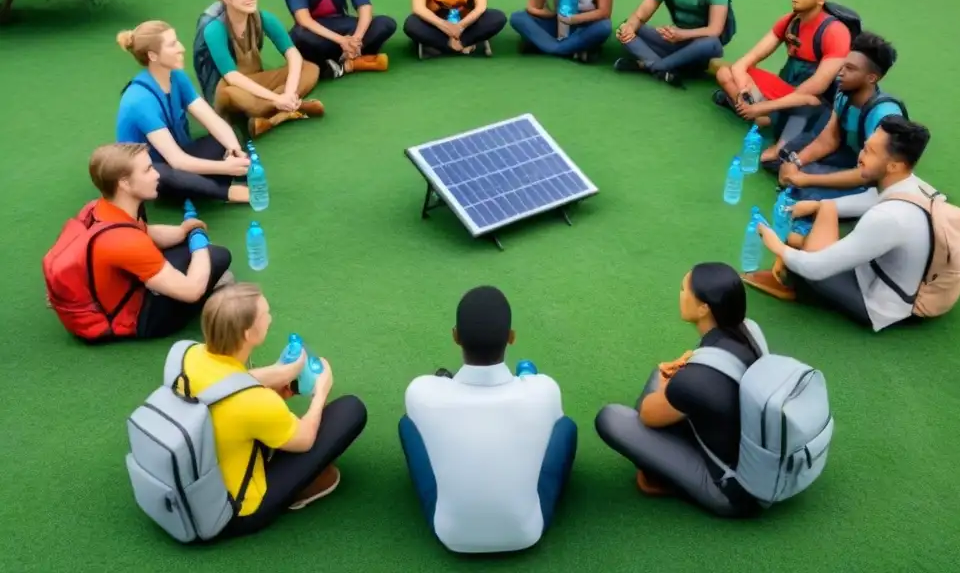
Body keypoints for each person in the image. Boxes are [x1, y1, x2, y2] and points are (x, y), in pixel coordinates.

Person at [180, 283, 368, 538]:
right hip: (233, 513)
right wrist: (322, 391)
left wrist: (280, 373)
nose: (270, 317)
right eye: (265, 314)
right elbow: (305, 439)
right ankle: (295, 491)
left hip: (193, 482)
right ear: (248, 334)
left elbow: (228, 383)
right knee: (351, 410)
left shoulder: (188, 354)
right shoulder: (255, 402)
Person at [399, 286, 577, 554]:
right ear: (511, 337)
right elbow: (557, 423)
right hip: (526, 532)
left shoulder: (421, 392)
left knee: (407, 424)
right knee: (566, 427)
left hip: (450, 534)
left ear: (455, 336)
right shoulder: (544, 390)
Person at [594, 263, 766, 518]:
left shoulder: (695, 381)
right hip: (755, 462)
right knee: (662, 376)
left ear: (704, 308)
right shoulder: (749, 331)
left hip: (732, 491)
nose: (680, 294)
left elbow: (647, 414)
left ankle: (661, 475)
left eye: (684, 289)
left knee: (610, 418)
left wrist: (671, 379)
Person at [745, 117, 935, 332]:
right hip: (897, 275)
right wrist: (817, 205)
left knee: (803, 267)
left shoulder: (887, 218)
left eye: (870, 152)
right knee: (827, 208)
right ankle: (800, 245)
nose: (861, 156)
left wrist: (776, 245)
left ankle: (793, 285)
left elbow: (815, 268)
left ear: (894, 165)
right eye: (865, 148)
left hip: (880, 305)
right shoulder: (913, 185)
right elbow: (871, 198)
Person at [50, 143, 233, 341]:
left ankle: (162, 278)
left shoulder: (98, 208)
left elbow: (145, 231)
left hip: (111, 293)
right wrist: (199, 244)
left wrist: (182, 231)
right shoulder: (126, 242)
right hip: (136, 320)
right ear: (125, 184)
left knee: (188, 252)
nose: (157, 175)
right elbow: (192, 291)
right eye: (148, 170)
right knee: (218, 257)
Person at [715, 0, 853, 155]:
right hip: (781, 91)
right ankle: (762, 115)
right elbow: (745, 61)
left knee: (775, 154)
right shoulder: (789, 21)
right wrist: (743, 87)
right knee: (725, 73)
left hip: (806, 103)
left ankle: (763, 117)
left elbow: (814, 89)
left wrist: (762, 106)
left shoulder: (835, 33)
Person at [114, 21, 251, 204]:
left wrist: (234, 150)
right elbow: (177, 161)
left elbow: (212, 120)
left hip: (177, 156)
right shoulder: (139, 101)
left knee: (225, 139)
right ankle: (225, 192)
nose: (181, 48)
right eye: (172, 45)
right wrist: (225, 167)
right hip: (151, 173)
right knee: (163, 175)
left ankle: (201, 185)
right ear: (153, 56)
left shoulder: (177, 76)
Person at [193, 0, 324, 140]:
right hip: (229, 88)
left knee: (311, 69)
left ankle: (277, 115)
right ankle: (291, 109)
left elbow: (292, 53)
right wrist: (277, 99)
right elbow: (232, 76)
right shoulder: (214, 29)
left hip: (257, 80)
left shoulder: (262, 18)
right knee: (247, 101)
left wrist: (290, 91)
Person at [777, 31, 907, 203]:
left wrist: (804, 179)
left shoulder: (884, 115)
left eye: (850, 69)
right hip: (852, 155)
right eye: (843, 65)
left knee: (802, 190)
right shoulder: (844, 93)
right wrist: (795, 163)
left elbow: (869, 173)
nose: (840, 73)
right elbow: (828, 140)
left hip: (873, 176)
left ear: (872, 78)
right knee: (785, 159)